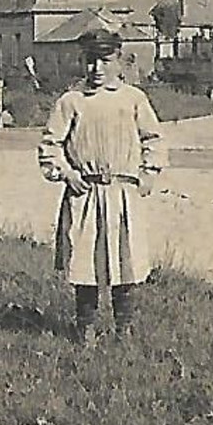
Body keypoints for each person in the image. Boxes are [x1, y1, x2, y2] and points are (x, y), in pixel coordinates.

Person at [37, 31, 165, 343]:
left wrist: (147, 174)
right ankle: (86, 328)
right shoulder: (72, 101)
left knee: (125, 261)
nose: (96, 68)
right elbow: (50, 146)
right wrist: (67, 174)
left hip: (123, 192)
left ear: (118, 62)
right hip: (85, 192)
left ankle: (125, 329)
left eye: (105, 61)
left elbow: (153, 138)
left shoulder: (133, 99)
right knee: (85, 264)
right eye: (90, 60)